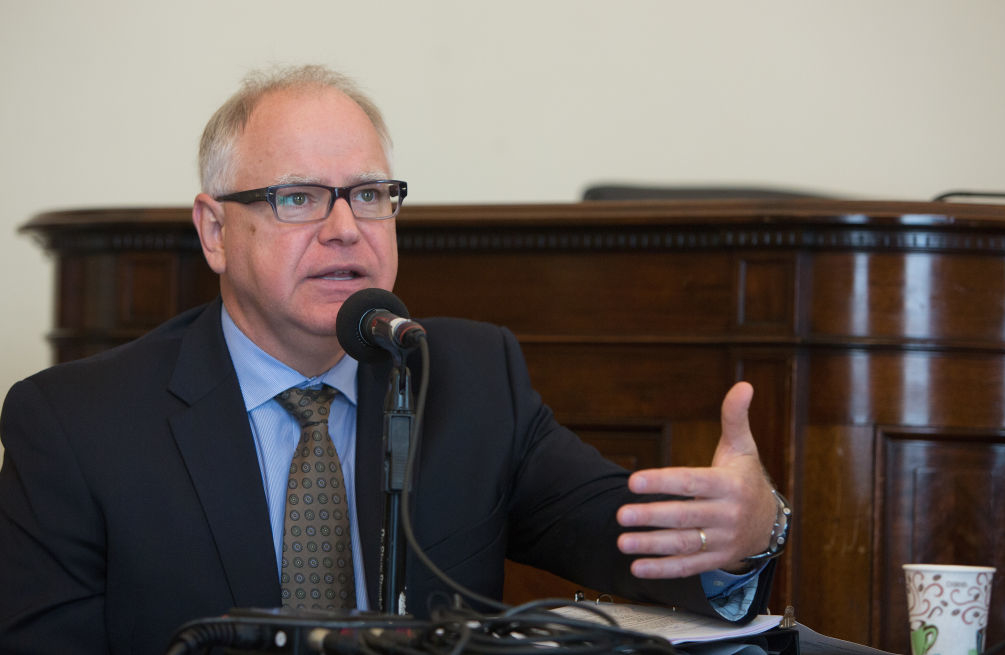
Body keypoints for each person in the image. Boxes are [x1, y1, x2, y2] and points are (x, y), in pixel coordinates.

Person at [0, 65, 787, 655]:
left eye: (371, 193)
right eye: (298, 197)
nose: (347, 227)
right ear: (214, 231)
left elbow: (636, 538)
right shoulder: (76, 426)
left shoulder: (470, 378)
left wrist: (745, 530)